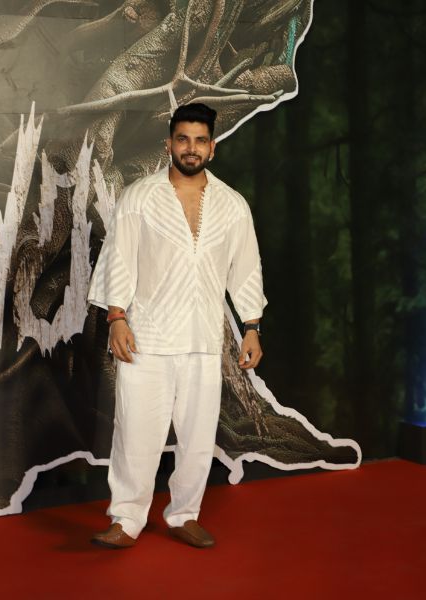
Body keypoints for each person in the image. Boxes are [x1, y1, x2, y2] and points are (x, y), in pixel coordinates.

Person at [86, 103, 267, 549]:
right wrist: (116, 317)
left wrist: (251, 327)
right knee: (136, 434)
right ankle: (126, 520)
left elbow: (246, 270)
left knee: (198, 438)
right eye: (183, 139)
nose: (191, 148)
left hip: (203, 338)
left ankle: (184, 514)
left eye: (200, 140)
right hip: (146, 337)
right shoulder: (140, 197)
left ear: (212, 148)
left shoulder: (232, 205)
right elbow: (120, 259)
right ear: (169, 144)